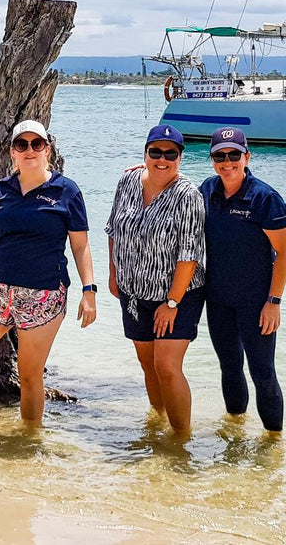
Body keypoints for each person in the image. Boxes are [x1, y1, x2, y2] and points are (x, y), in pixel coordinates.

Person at [0, 120, 97, 426]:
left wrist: (89, 291)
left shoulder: (67, 192)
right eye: (22, 145)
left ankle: (29, 443)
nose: (29, 150)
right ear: (13, 152)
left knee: (29, 376)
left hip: (44, 296)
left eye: (36, 144)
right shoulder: (2, 190)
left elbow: (80, 246)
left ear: (47, 150)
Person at [106, 125, 205, 435]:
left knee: (167, 367)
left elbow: (189, 254)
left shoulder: (187, 195)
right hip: (134, 294)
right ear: (145, 153)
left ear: (180, 157)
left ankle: (181, 439)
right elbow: (113, 230)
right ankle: (157, 424)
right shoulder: (127, 181)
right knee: (148, 363)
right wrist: (113, 274)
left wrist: (172, 303)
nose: (162, 159)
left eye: (170, 153)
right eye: (156, 152)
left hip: (178, 295)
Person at [199, 127, 286, 433]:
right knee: (229, 367)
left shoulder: (265, 198)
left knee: (263, 372)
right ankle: (235, 433)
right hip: (218, 300)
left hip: (256, 302)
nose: (227, 162)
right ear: (212, 159)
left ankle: (273, 446)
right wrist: (141, 170)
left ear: (247, 157)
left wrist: (273, 302)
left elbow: (285, 252)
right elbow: (171, 190)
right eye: (220, 156)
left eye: (234, 155)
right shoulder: (206, 191)